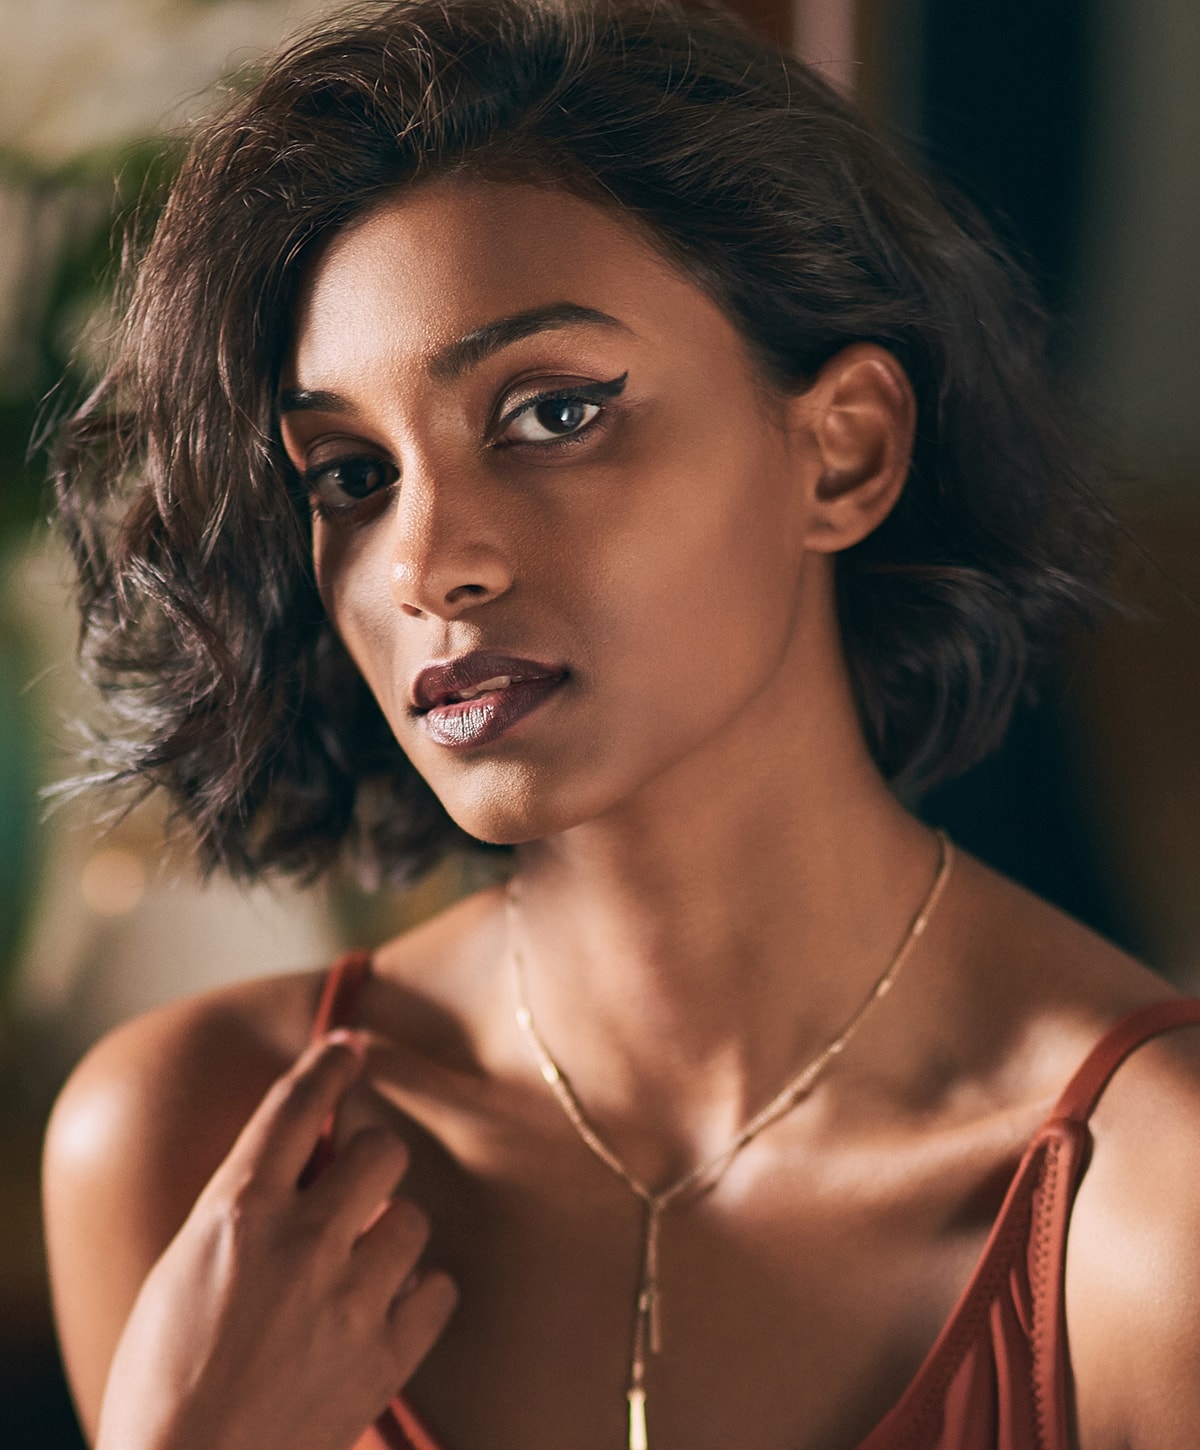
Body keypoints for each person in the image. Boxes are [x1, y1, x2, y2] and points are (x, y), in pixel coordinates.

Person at [40, 2, 1200, 1448]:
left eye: (551, 414)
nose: (425, 564)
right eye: (349, 474)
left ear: (844, 451)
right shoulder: (185, 1146)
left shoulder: (1155, 1208)